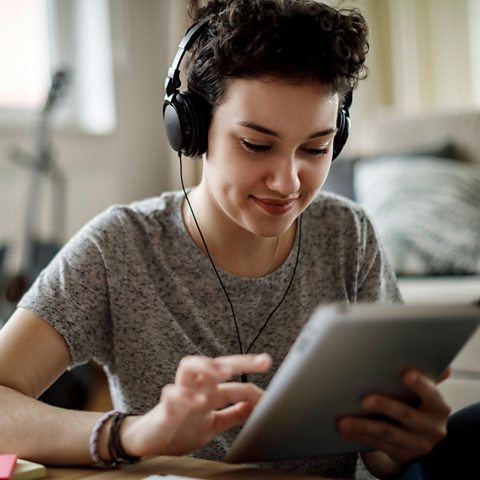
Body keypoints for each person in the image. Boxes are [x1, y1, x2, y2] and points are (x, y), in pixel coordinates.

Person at [0, 0, 456, 478]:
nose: (288, 182)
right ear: (190, 130)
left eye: (316, 148)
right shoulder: (118, 246)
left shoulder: (348, 234)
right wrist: (133, 433)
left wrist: (402, 442)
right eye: (257, 145)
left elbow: (378, 458)